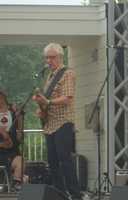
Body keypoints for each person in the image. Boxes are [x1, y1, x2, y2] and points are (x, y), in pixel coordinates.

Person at [32, 43, 82, 200]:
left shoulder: (67, 73)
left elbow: (67, 98)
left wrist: (48, 103)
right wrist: (41, 106)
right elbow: (48, 100)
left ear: (60, 57)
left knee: (64, 159)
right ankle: (60, 193)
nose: (48, 61)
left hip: (63, 122)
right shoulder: (50, 76)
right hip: (50, 124)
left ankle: (75, 194)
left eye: (52, 57)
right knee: (52, 161)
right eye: (46, 57)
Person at [0, 90, 25, 191]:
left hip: (11, 152)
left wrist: (20, 117)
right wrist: (2, 144)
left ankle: (16, 184)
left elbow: (19, 136)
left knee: (21, 161)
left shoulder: (12, 111)